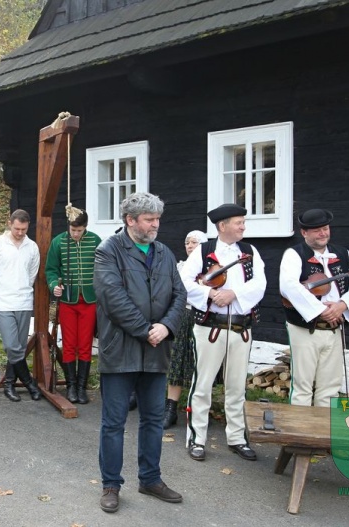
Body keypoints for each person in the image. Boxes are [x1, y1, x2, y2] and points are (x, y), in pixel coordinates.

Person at [94, 192, 186, 514]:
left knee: (152, 421)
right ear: (130, 220)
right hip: (120, 350)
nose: (155, 225)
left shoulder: (164, 253)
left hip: (157, 351)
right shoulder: (108, 251)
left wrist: (167, 327)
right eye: (149, 219)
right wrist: (147, 330)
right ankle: (110, 485)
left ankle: (150, 479)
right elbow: (112, 298)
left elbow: (180, 293)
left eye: (157, 219)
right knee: (114, 423)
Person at [181, 204, 266, 463]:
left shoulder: (250, 252)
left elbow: (260, 283)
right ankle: (196, 437)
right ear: (222, 226)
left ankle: (237, 437)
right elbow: (185, 281)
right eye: (238, 222)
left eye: (243, 222)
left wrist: (234, 294)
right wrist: (210, 293)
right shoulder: (204, 251)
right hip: (210, 328)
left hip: (241, 328)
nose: (243, 226)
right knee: (203, 384)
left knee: (236, 385)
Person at [279, 209, 349, 407]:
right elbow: (288, 286)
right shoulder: (294, 254)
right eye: (317, 230)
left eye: (325, 229)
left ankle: (323, 434)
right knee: (302, 386)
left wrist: (342, 305)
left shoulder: (342, 253)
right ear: (304, 233)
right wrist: (321, 311)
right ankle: (300, 435)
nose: (323, 233)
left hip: (335, 328)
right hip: (305, 329)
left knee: (330, 386)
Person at [0, 209, 41, 402]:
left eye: (24, 229)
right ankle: (30, 383)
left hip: (23, 300)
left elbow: (32, 274)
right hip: (3, 301)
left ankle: (9, 383)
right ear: (10, 224)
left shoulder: (32, 247)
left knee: (19, 346)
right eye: (17, 228)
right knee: (11, 345)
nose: (20, 232)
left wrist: (23, 288)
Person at [44, 210, 101, 404]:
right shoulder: (59, 242)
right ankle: (70, 387)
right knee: (69, 344)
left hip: (89, 300)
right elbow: (51, 270)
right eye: (72, 229)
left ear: (86, 227)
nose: (75, 234)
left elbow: (103, 268)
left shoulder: (95, 241)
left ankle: (81, 387)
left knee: (85, 344)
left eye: (79, 230)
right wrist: (54, 286)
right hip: (68, 301)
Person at [163, 230, 207, 429]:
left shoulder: (211, 270)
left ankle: (198, 409)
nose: (190, 246)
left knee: (202, 364)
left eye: (195, 242)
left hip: (205, 319)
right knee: (178, 362)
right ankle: (170, 409)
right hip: (183, 317)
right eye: (187, 242)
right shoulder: (180, 267)